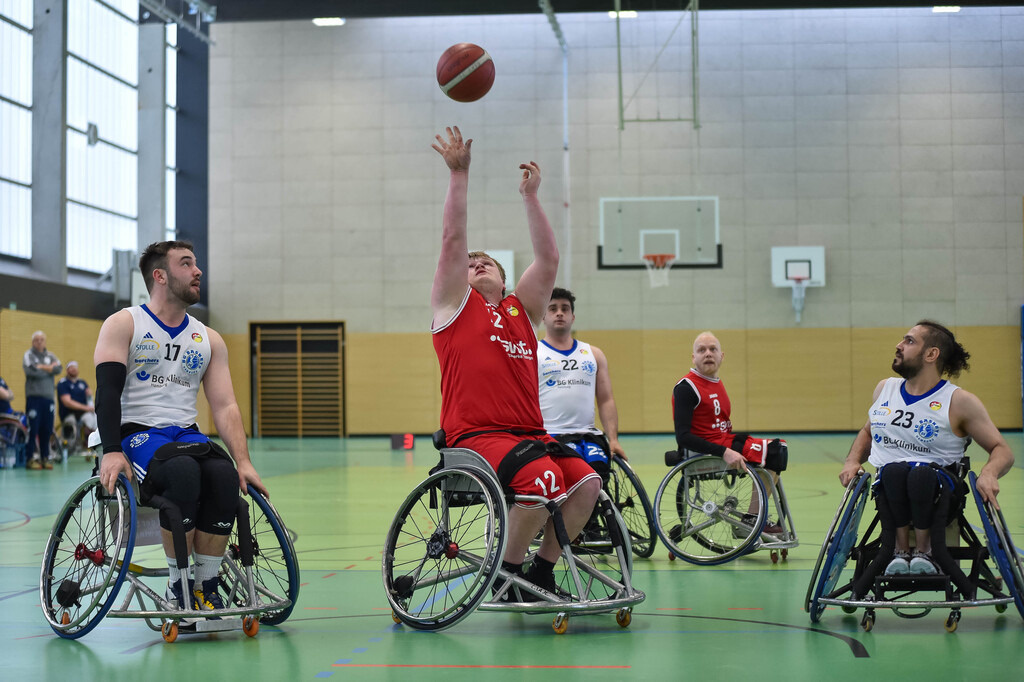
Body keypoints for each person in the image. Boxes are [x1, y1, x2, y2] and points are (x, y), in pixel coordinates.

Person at [430, 126, 601, 599]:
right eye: (470, 263)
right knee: (542, 480)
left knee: (587, 483)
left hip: (529, 436)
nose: (476, 263)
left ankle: (539, 575)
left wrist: (531, 197)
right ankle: (506, 577)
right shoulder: (453, 307)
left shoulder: (519, 312)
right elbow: (451, 238)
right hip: (477, 436)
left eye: (487, 263)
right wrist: (459, 174)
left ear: (505, 280)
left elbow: (548, 258)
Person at [95, 239, 266, 613]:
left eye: (196, 264)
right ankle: (179, 587)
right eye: (186, 264)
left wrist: (244, 462)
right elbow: (107, 391)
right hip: (136, 432)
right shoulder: (124, 324)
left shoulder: (208, 338)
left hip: (185, 434)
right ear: (160, 275)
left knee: (222, 476)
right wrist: (110, 451)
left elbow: (225, 405)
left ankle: (206, 585)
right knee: (183, 474)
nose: (197, 271)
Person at [838, 321, 1013, 585]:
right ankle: (898, 551)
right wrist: (852, 460)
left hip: (938, 491)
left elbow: (1002, 450)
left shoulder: (959, 401)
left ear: (931, 354)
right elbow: (867, 431)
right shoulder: (884, 389)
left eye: (909, 341)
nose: (899, 345)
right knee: (895, 472)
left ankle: (927, 551)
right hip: (889, 488)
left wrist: (989, 473)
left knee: (919, 475)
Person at [672, 331, 788, 535]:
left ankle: (753, 518)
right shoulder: (686, 388)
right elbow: (683, 437)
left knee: (778, 450)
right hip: (705, 452)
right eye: (702, 350)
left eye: (712, 349)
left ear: (722, 356)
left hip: (723, 441)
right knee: (773, 453)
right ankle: (752, 521)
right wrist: (724, 452)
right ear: (694, 357)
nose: (708, 353)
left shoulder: (715, 383)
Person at [537, 287, 625, 477]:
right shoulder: (533, 353)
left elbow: (606, 400)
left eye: (565, 308)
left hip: (589, 435)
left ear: (573, 317)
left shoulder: (594, 354)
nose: (559, 313)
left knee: (600, 473)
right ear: (543, 317)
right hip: (551, 435)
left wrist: (614, 440)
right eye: (552, 308)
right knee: (573, 477)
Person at [22, 331, 62, 470]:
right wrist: (49, 369)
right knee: (33, 429)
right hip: (34, 399)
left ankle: (45, 458)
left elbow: (59, 368)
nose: (39, 342)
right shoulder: (29, 355)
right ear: (33, 342)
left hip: (48, 399)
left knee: (46, 429)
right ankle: (30, 458)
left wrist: (41, 367)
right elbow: (30, 371)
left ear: (45, 341)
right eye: (36, 340)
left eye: (41, 340)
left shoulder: (50, 355)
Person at [57, 361, 97, 453]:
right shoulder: (63, 383)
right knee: (71, 423)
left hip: (83, 413)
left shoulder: (82, 383)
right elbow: (67, 402)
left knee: (93, 419)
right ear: (67, 370)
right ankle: (69, 448)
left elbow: (89, 398)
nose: (74, 369)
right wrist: (86, 408)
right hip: (68, 413)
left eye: (75, 367)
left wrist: (90, 396)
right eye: (71, 367)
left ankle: (90, 444)